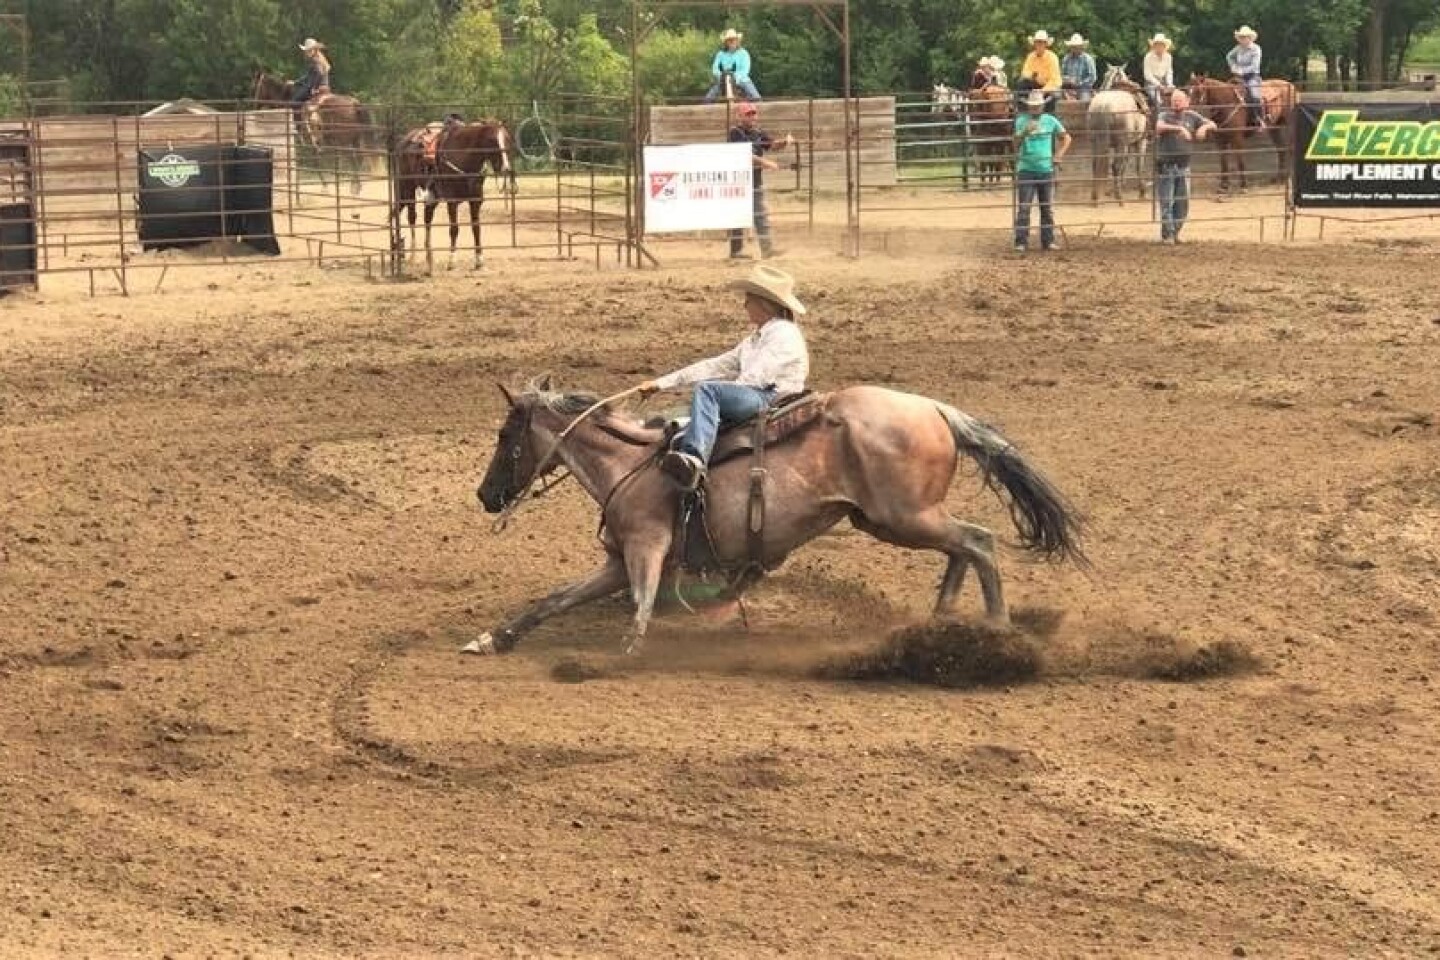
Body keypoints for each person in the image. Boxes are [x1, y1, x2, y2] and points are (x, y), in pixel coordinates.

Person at [639, 265, 810, 491]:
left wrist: (725, 395)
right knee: (708, 395)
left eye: (748, 300)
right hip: (759, 393)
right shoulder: (754, 340)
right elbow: (714, 365)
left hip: (771, 397)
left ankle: (694, 457)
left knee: (709, 392)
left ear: (763, 303)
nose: (744, 305)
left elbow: (756, 378)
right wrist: (660, 383)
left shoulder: (784, 333)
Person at [727, 102, 792, 260]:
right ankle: (736, 252)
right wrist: (765, 162)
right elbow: (743, 155)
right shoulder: (735, 133)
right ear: (739, 116)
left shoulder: (758, 132)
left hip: (754, 180)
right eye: (748, 114)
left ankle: (767, 250)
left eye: (753, 114)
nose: (752, 117)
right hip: (738, 180)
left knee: (760, 214)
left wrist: (785, 141)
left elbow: (771, 145)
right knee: (738, 215)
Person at [1154, 89, 1216, 245]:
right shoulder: (1164, 115)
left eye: (1180, 100)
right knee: (1167, 201)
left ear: (1187, 102)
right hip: (1166, 165)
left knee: (1182, 202)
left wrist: (1204, 128)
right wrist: (1180, 129)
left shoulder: (1192, 116)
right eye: (1174, 100)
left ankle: (1175, 232)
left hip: (1184, 166)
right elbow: (1159, 127)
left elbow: (1213, 124)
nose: (1176, 102)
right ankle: (1168, 234)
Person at [1012, 89, 1071, 253]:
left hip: (1045, 168)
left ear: (1042, 106)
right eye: (1033, 106)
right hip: (1027, 168)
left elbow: (1066, 137)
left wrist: (1059, 154)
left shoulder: (1050, 120)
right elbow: (1015, 146)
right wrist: (1024, 133)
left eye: (1038, 106)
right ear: (1028, 107)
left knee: (1046, 207)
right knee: (1025, 207)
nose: (1035, 109)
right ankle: (1021, 241)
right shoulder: (1021, 121)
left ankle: (1047, 240)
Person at [705, 28, 760, 102]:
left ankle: (760, 107)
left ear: (737, 41)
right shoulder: (720, 54)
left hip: (741, 79)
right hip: (723, 80)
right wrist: (722, 76)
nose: (731, 41)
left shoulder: (744, 53)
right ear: (726, 42)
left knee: (756, 97)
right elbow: (715, 68)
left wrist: (734, 78)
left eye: (733, 39)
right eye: (729, 40)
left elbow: (745, 70)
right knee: (708, 98)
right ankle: (705, 108)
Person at [1228, 25, 1265, 129]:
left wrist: (1241, 71)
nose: (1243, 39)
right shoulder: (1238, 48)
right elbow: (1229, 56)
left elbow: (1255, 66)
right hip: (1239, 77)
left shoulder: (1256, 49)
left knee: (1254, 95)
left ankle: (1259, 118)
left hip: (1252, 76)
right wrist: (1233, 66)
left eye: (1245, 37)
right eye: (1242, 37)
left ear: (1250, 38)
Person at [1017, 30, 1062, 112]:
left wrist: (1043, 91)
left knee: (1053, 95)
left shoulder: (1052, 58)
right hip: (1035, 84)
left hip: (1049, 87)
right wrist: (1033, 76)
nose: (1039, 45)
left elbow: (1054, 80)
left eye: (1041, 42)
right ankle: (1023, 111)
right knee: (1022, 83)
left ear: (1046, 44)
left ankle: (1049, 115)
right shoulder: (1030, 56)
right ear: (1034, 44)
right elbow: (1025, 73)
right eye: (1037, 42)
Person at [292, 37, 332, 117]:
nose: (307, 53)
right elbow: (309, 76)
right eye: (307, 51)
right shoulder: (321, 59)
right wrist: (296, 82)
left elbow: (318, 74)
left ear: (314, 50)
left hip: (318, 88)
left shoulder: (316, 61)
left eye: (309, 51)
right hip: (325, 87)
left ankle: (299, 124)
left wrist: (314, 87)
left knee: (295, 99)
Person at [1060, 33, 1096, 101]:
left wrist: (1079, 83)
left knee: (1084, 102)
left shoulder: (1088, 59)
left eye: (1077, 46)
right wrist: (1067, 79)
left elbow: (1092, 77)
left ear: (1081, 47)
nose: (1075, 48)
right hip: (1068, 87)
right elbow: (1062, 74)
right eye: (1073, 46)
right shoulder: (1066, 58)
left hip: (1084, 88)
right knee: (1056, 97)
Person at [1142, 33, 1175, 108]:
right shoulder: (1148, 57)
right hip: (1151, 84)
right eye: (1157, 45)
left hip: (1164, 82)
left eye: (1161, 45)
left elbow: (1169, 71)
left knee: (1176, 96)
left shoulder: (1168, 57)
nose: (1159, 47)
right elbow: (1147, 75)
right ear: (1154, 46)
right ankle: (1159, 116)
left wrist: (1170, 83)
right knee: (1158, 99)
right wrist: (1158, 85)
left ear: (1164, 46)